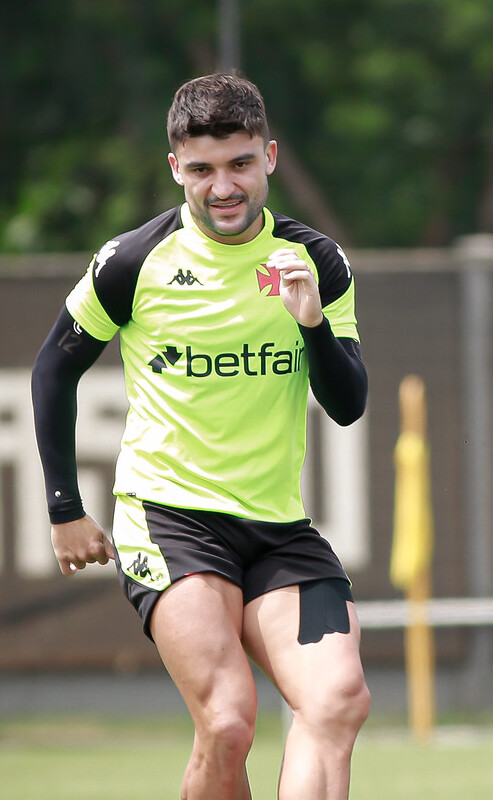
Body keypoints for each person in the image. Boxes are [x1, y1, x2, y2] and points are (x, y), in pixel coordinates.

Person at [31, 73, 371, 800]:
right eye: (203, 170)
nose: (224, 187)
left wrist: (310, 320)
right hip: (171, 519)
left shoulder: (317, 262)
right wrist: (64, 507)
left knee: (337, 700)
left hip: (277, 527)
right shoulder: (132, 263)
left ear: (270, 157)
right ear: (175, 169)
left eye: (241, 164)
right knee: (227, 723)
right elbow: (53, 370)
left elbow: (347, 405)